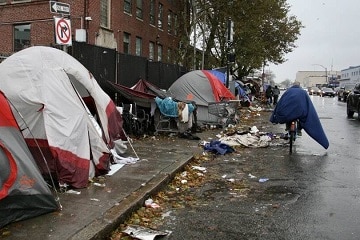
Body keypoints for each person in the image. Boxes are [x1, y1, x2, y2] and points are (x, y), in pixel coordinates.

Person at [269, 81, 329, 149]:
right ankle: (299, 130)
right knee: (302, 118)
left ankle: (288, 128)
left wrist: (275, 114)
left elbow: (281, 101)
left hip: (289, 111)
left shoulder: (288, 91)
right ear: (299, 85)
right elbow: (308, 104)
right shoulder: (303, 92)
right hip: (300, 111)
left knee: (288, 118)